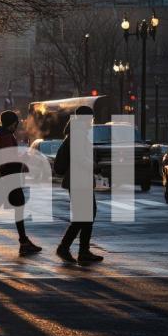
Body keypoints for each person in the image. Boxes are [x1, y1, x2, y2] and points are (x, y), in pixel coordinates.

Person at [53, 106, 104, 264]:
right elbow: (79, 158)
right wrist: (95, 166)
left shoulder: (76, 133)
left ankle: (82, 250)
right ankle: (68, 248)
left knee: (86, 215)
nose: (92, 121)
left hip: (80, 180)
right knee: (84, 216)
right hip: (79, 181)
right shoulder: (77, 135)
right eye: (90, 118)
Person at [0, 110, 42, 256]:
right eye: (16, 123)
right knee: (16, 208)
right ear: (12, 123)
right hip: (10, 178)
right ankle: (24, 242)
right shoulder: (7, 136)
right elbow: (9, 158)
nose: (17, 126)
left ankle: (24, 241)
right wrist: (24, 157)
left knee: (0, 208)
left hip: (3, 177)